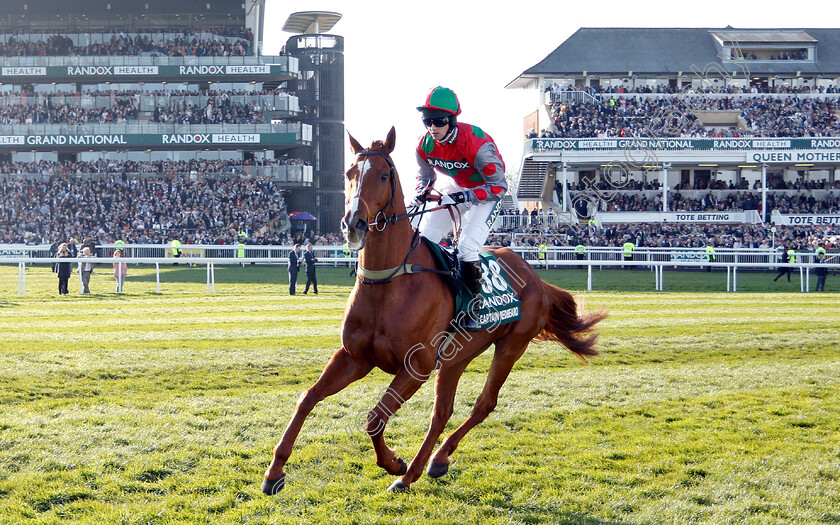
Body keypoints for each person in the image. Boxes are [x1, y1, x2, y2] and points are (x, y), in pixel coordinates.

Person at [413, 86, 507, 331]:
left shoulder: (477, 144)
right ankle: (431, 298)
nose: (432, 127)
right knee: (426, 239)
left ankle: (475, 308)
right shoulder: (424, 146)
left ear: (452, 120)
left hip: (487, 191)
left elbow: (499, 188)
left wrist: (462, 196)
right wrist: (422, 192)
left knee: (466, 246)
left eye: (439, 121)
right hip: (457, 185)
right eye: (427, 121)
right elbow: (425, 178)